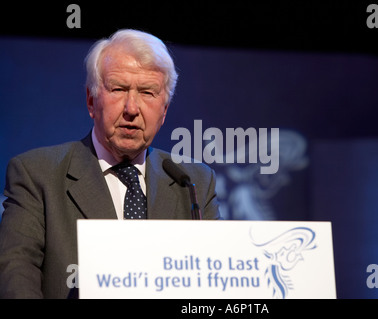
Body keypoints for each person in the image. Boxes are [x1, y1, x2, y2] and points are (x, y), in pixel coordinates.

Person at [0, 29, 221, 299]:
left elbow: (214, 285)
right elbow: (16, 277)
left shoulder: (193, 181)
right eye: (118, 89)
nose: (131, 108)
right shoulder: (37, 174)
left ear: (164, 112)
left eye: (147, 92)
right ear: (91, 101)